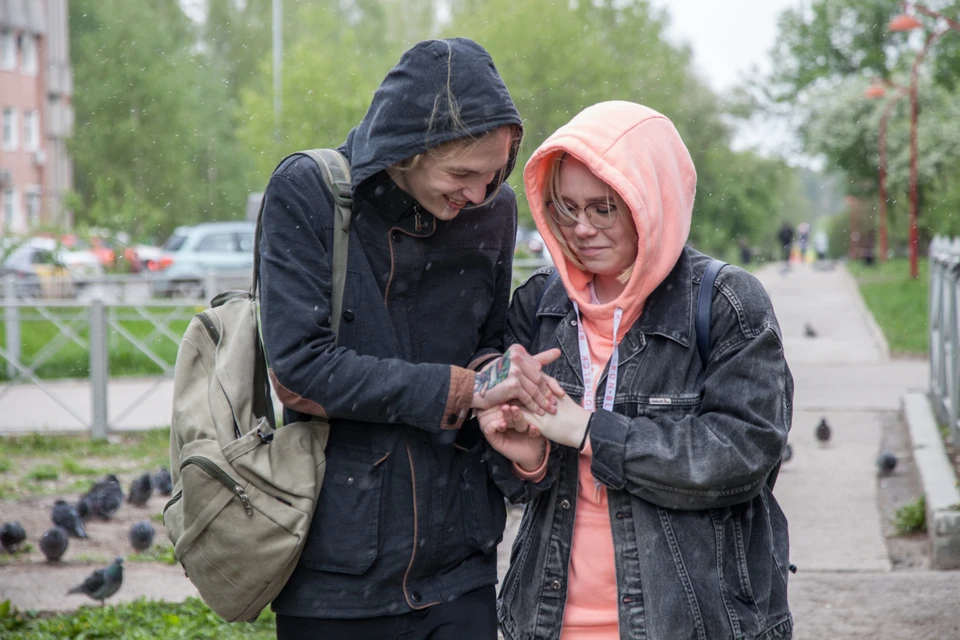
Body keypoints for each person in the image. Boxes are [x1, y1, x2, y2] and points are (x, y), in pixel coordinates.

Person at [257, 38, 564, 639]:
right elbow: (298, 370)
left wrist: (503, 376)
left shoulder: (494, 211)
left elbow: (485, 338)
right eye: (461, 174)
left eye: (493, 174)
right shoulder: (309, 189)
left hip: (461, 561)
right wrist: (460, 389)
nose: (477, 194)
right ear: (405, 150)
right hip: (336, 569)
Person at [479, 102, 794, 640]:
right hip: (548, 622)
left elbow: (743, 454)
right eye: (564, 207)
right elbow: (508, 483)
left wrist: (588, 432)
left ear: (654, 202)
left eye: (604, 208)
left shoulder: (725, 303)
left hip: (696, 623)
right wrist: (526, 461)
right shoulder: (539, 305)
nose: (581, 228)